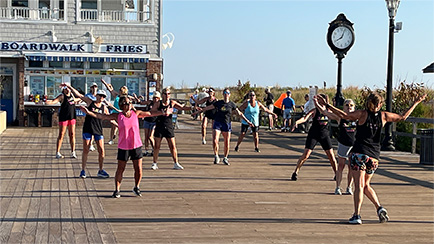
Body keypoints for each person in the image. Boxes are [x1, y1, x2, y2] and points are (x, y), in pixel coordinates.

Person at [316, 92, 426, 224]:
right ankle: (379, 208)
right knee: (366, 185)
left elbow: (344, 115)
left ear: (368, 102)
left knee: (358, 186)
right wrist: (416, 102)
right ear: (380, 104)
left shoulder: (362, 114)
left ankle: (356, 215)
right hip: (374, 157)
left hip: (359, 154)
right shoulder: (384, 116)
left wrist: (328, 105)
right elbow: (402, 117)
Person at [80, 96, 169, 198]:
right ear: (123, 105)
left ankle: (136, 187)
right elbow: (102, 116)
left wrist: (163, 112)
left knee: (138, 168)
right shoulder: (118, 116)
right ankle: (117, 189)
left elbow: (150, 113)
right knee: (120, 169)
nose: (130, 104)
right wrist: (88, 112)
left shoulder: (136, 113)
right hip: (123, 146)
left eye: (130, 102)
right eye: (127, 103)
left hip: (136, 145)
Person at [193, 88, 254, 166]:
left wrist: (248, 122)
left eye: (227, 93)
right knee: (215, 140)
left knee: (227, 142)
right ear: (223, 94)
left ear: (229, 94)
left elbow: (240, 114)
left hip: (226, 123)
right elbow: (207, 108)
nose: (226, 94)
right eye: (225, 93)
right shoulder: (218, 103)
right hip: (218, 123)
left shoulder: (232, 104)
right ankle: (216, 156)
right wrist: (198, 111)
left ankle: (225, 157)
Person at [65, 83, 111, 179]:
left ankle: (101, 170)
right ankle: (83, 170)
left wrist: (120, 125)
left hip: (98, 129)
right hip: (88, 128)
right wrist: (69, 87)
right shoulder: (90, 102)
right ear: (96, 96)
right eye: (100, 96)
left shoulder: (103, 107)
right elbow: (79, 95)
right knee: (86, 149)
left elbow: (110, 118)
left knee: (101, 150)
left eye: (103, 97)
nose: (101, 98)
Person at [290, 93, 337, 181]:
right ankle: (295, 172)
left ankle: (336, 173)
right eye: (318, 100)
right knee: (306, 154)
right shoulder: (315, 111)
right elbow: (305, 118)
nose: (319, 102)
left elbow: (337, 115)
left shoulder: (328, 111)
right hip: (314, 134)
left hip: (324, 135)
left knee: (331, 156)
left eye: (320, 100)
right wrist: (296, 122)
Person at [316, 99, 357, 195]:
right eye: (347, 105)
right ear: (344, 107)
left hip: (354, 144)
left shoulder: (357, 118)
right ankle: (338, 187)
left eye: (351, 105)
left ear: (354, 107)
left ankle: (349, 187)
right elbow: (325, 112)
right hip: (343, 143)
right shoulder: (340, 117)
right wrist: (317, 104)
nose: (349, 107)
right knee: (341, 165)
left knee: (351, 167)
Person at [150, 87, 193, 170]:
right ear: (162, 95)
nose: (167, 96)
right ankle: (154, 163)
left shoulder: (172, 103)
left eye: (168, 94)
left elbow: (182, 108)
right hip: (159, 125)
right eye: (165, 94)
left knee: (172, 145)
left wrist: (192, 108)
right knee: (157, 146)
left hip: (169, 126)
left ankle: (176, 163)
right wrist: (161, 113)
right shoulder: (158, 104)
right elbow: (151, 112)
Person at [44, 86, 81, 159]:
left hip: (72, 117)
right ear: (63, 90)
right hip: (64, 117)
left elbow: (76, 100)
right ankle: (58, 152)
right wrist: (46, 102)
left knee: (72, 134)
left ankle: (73, 152)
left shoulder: (72, 96)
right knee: (61, 134)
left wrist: (81, 99)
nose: (67, 90)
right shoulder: (62, 96)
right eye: (65, 89)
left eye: (68, 88)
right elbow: (53, 101)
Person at [101, 79, 126, 145]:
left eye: (120, 90)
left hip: (120, 112)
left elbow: (131, 99)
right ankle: (111, 139)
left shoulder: (124, 98)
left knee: (120, 126)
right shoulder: (117, 96)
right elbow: (110, 90)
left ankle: (121, 138)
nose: (119, 91)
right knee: (113, 125)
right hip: (114, 112)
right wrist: (104, 83)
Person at [139, 91, 161, 156]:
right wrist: (138, 99)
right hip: (147, 120)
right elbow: (141, 103)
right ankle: (146, 150)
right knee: (146, 136)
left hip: (154, 122)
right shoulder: (150, 102)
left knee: (150, 136)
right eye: (154, 98)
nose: (155, 99)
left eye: (157, 98)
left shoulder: (159, 105)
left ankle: (154, 149)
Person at [85, 82, 98, 151]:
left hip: (96, 115)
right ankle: (89, 144)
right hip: (89, 114)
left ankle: (91, 144)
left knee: (94, 131)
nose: (94, 88)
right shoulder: (88, 95)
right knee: (89, 131)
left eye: (95, 87)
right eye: (93, 87)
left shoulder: (98, 96)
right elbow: (82, 98)